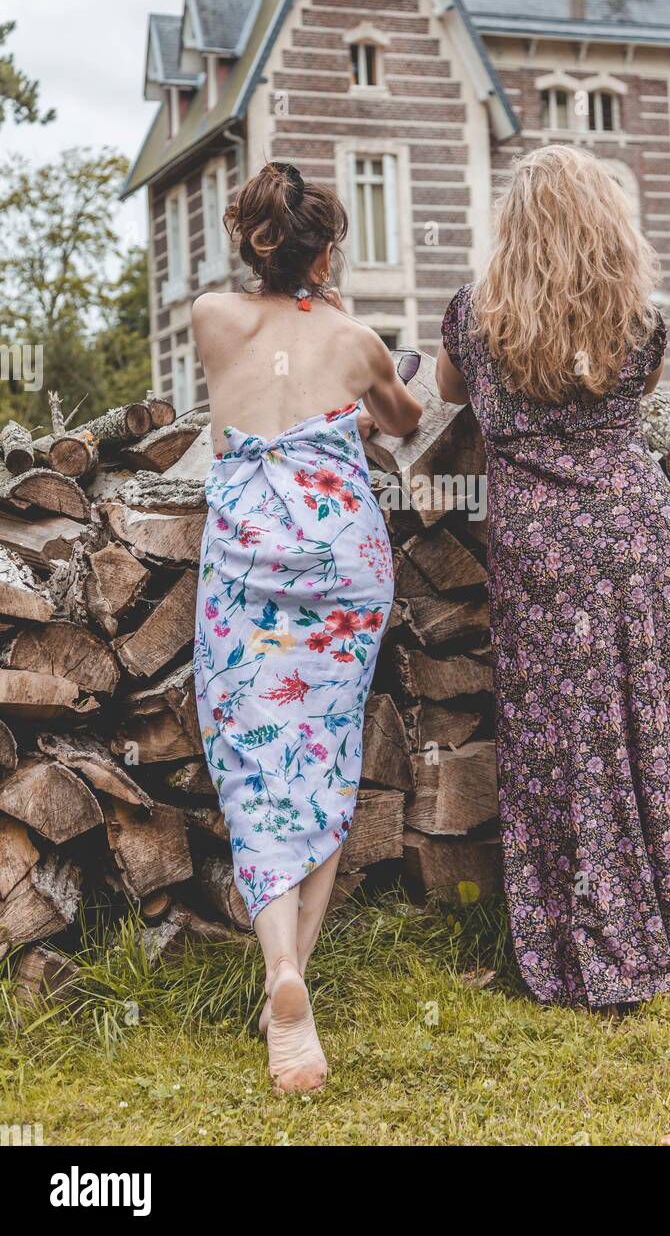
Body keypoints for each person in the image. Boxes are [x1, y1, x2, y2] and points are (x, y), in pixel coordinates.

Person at [437, 144, 670, 1011]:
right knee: (654, 724)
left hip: (539, 542)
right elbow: (635, 396)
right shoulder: (637, 317)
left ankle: (588, 945)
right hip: (632, 527)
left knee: (563, 738)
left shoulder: (475, 315)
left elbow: (453, 394)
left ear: (513, 226)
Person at [192, 162, 422, 1093]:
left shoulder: (214, 318)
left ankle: (282, 975)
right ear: (328, 250)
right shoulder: (357, 339)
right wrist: (369, 356)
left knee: (254, 763)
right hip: (341, 561)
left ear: (251, 240)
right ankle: (292, 980)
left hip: (246, 558)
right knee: (323, 757)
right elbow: (402, 421)